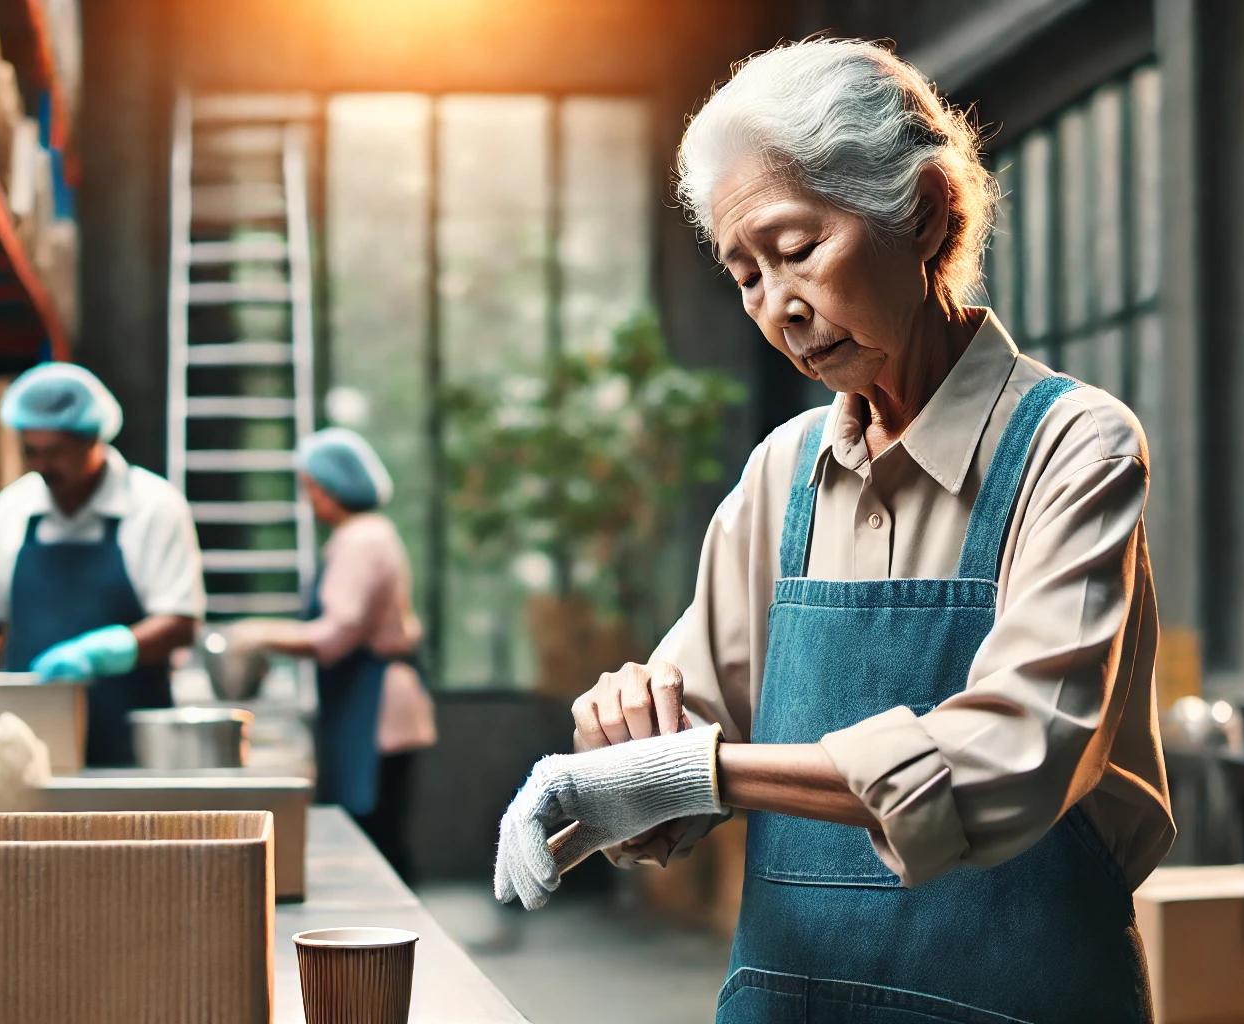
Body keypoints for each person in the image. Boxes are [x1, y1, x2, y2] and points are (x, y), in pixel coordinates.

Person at [493, 39, 1172, 1023]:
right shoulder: (782, 476)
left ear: (928, 211)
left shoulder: (1074, 447)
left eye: (797, 247)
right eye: (745, 273)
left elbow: (1017, 755)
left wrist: (698, 769)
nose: (781, 308)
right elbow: (683, 747)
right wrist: (624, 748)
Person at [0, 363, 205, 767]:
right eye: (30, 451)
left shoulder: (154, 507)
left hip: (126, 748)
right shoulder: (13, 508)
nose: (41, 465)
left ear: (93, 442)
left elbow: (180, 623)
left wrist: (105, 653)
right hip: (30, 752)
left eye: (55, 453)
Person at [224, 428, 434, 875]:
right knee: (382, 828)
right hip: (373, 699)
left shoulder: (362, 540)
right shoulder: (368, 534)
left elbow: (336, 635)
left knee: (376, 832)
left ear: (333, 489)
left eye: (311, 489)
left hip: (376, 707)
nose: (309, 500)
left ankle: (391, 933)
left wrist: (257, 634)